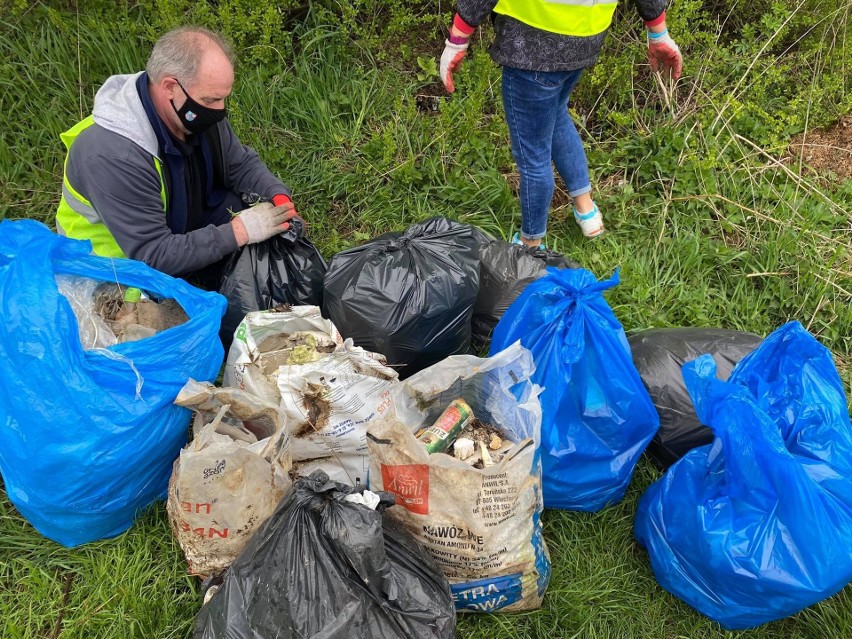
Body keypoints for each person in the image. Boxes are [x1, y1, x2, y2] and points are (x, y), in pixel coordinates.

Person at [56, 26, 298, 283]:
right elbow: (153, 255)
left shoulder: (192, 111)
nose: (220, 110)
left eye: (223, 99)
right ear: (170, 86)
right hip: (115, 269)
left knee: (247, 215)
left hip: (178, 221)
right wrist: (239, 231)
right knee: (165, 317)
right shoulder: (114, 155)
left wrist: (278, 197)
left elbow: (238, 164)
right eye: (210, 101)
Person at [440, 1, 683, 246]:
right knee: (556, 115)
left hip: (531, 44)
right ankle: (587, 211)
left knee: (532, 155)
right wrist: (658, 32)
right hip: (584, 41)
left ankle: (530, 244)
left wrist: (457, 40)